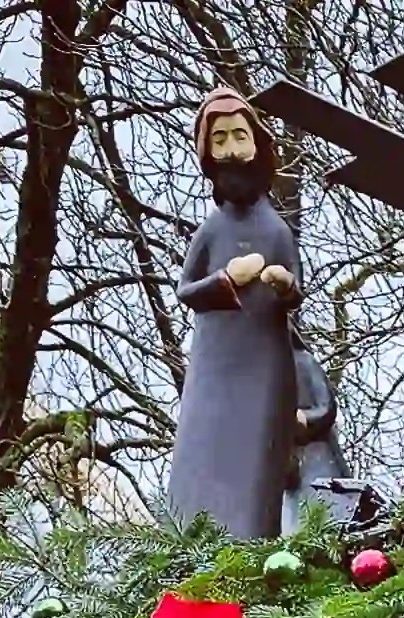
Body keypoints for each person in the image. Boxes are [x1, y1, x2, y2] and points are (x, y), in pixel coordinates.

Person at [168, 92, 307, 540]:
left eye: (239, 136)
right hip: (215, 363)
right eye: (220, 138)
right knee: (204, 450)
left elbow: (295, 292)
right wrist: (226, 279)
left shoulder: (275, 229)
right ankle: (190, 543)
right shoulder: (212, 229)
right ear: (208, 151)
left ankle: (250, 547)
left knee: (255, 462)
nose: (230, 149)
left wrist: (283, 285)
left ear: (256, 144)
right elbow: (187, 290)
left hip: (265, 362)